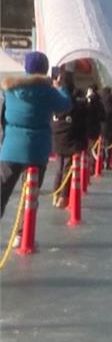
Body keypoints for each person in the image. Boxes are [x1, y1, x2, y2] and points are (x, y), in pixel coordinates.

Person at [1, 52, 72, 218]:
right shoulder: (48, 92)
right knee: (30, 196)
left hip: (11, 148)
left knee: (2, 191)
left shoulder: (11, 90)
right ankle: (23, 233)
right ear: (45, 69)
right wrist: (60, 86)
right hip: (37, 149)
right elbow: (65, 105)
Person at [50, 78, 87, 208]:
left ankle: (56, 194)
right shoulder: (75, 105)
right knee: (67, 170)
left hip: (57, 140)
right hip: (71, 141)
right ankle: (63, 197)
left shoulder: (55, 103)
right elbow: (81, 125)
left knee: (59, 168)